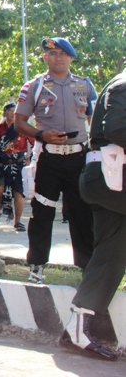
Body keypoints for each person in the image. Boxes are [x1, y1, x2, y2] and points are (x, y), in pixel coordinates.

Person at [14, 38, 96, 284]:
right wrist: (40, 135)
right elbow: (19, 122)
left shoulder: (85, 86)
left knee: (83, 215)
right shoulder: (34, 86)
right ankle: (37, 266)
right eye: (53, 53)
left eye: (63, 53)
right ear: (45, 57)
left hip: (79, 159)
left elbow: (94, 121)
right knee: (42, 213)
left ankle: (87, 269)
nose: (58, 57)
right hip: (48, 159)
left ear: (71, 58)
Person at [58, 70, 126, 361]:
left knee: (112, 252)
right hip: (111, 179)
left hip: (107, 179)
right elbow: (116, 128)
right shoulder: (124, 85)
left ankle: (76, 328)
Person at [0, 102, 32, 232]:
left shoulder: (23, 127)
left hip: (18, 164)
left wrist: (30, 158)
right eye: (10, 110)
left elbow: (34, 143)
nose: (12, 113)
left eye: (15, 110)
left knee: (19, 193)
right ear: (5, 113)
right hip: (0, 163)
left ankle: (18, 221)